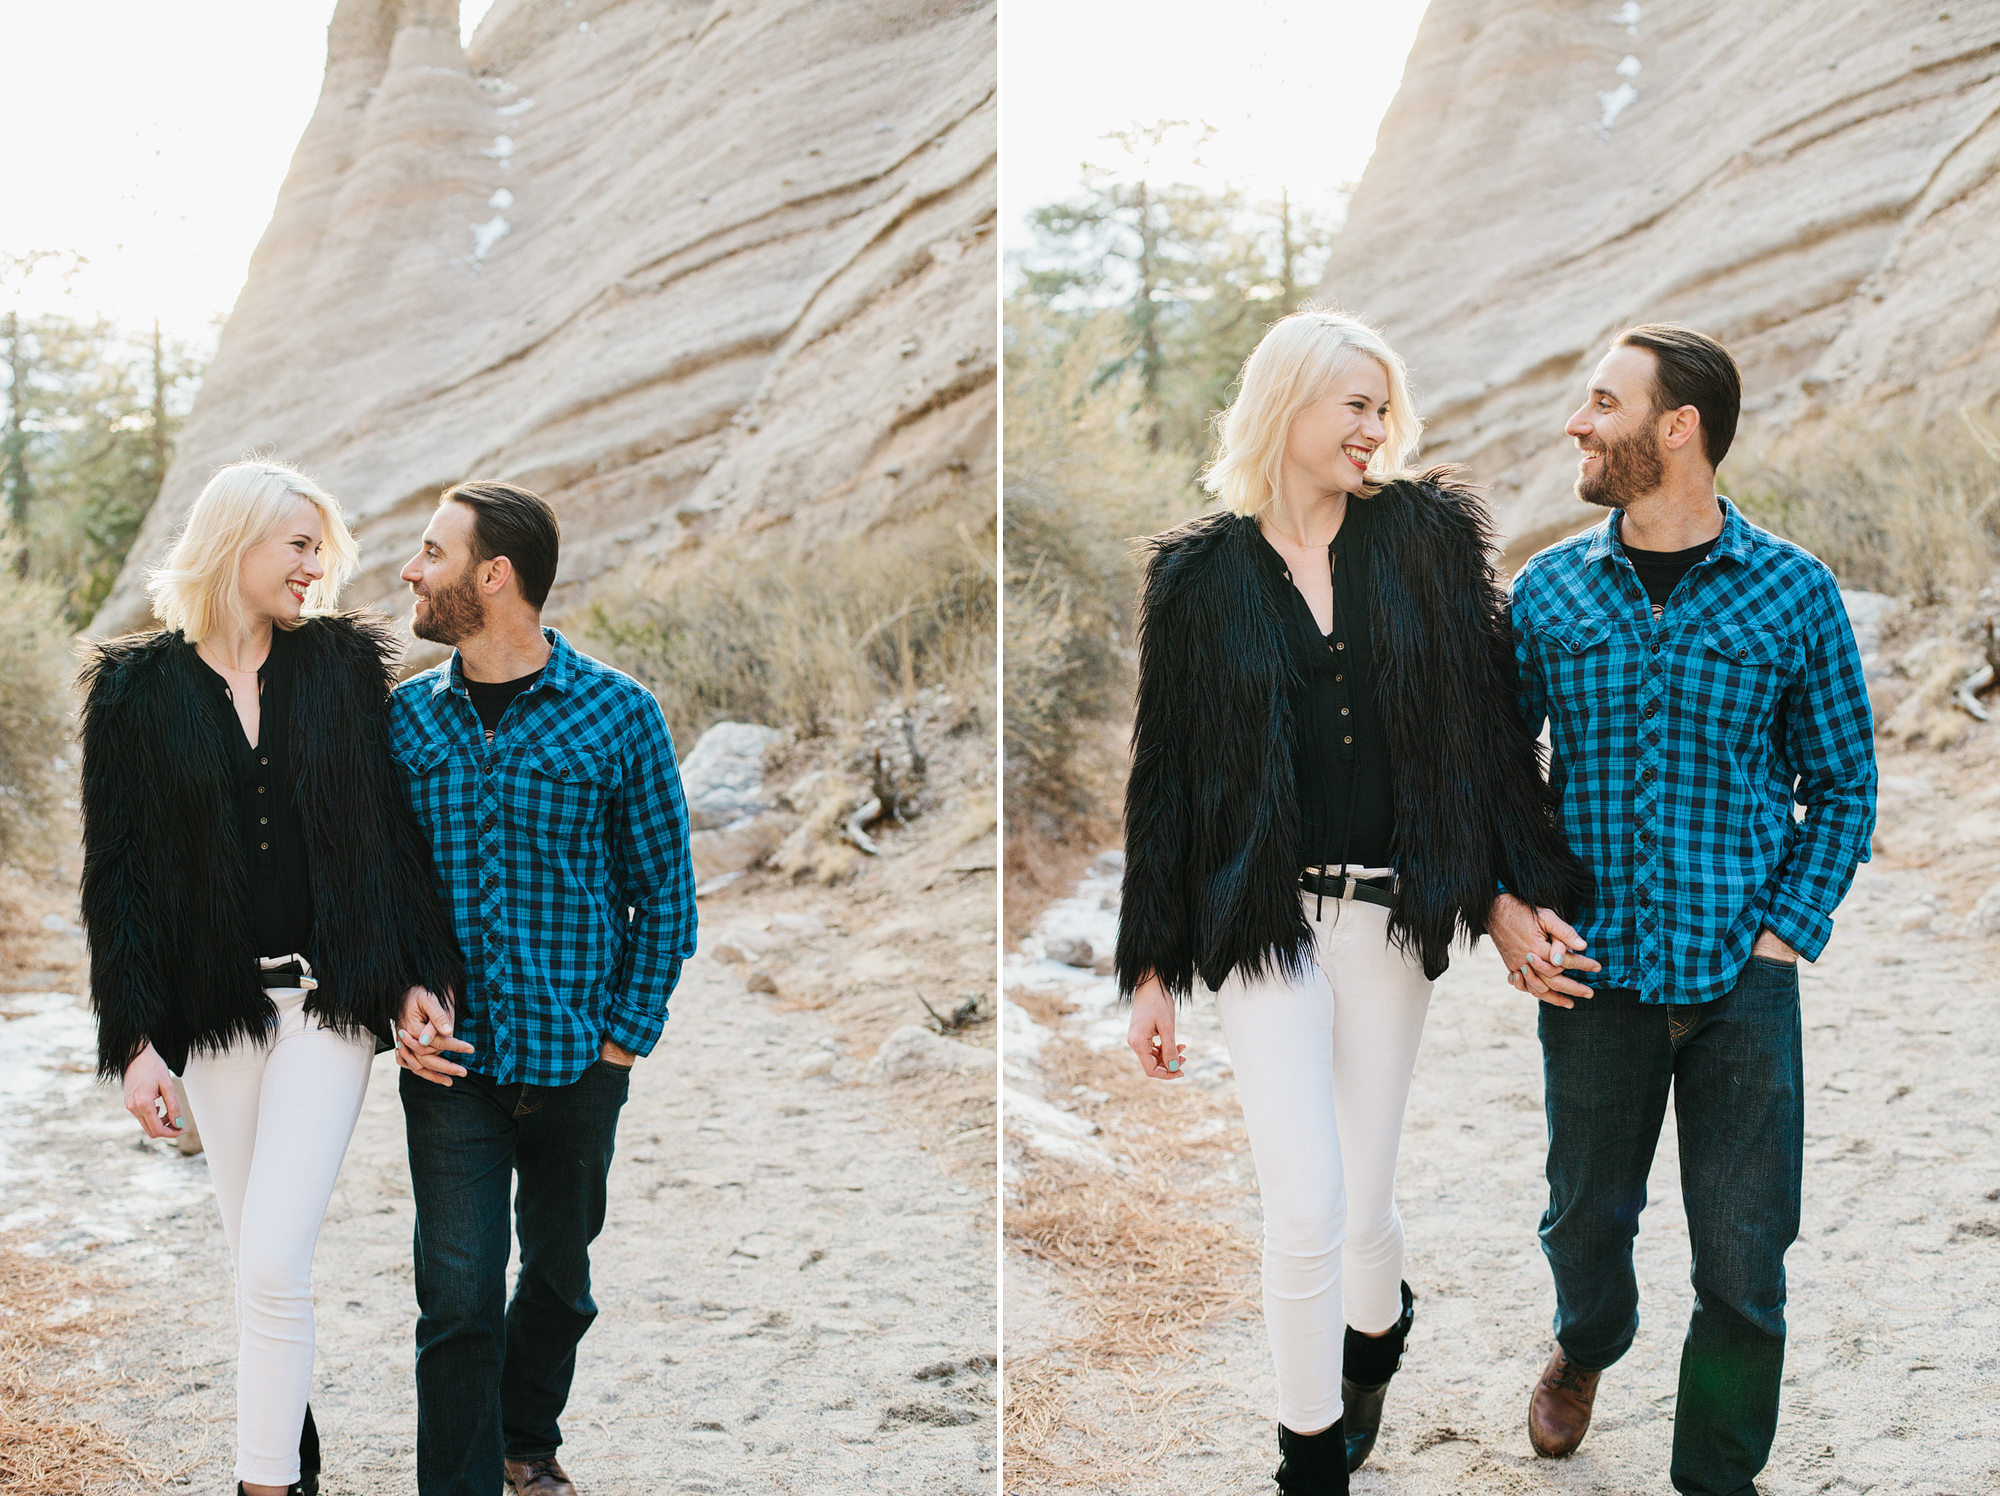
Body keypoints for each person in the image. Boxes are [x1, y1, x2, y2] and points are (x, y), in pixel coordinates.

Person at [1117, 308, 1591, 1494]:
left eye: (1383, 406)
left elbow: (1479, 735)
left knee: (1363, 1205)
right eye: (1353, 404)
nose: (1373, 427)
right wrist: (1148, 966)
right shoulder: (1196, 578)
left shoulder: (1422, 542)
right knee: (1304, 1195)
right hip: (1260, 922)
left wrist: (1504, 892)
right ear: (1286, 406)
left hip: (1385, 919)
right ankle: (1306, 1460)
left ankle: (1376, 1335)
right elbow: (1164, 772)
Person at [1490, 324, 1876, 1495]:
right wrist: (1508, 904)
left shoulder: (1791, 592)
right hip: (1590, 975)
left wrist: (1781, 935)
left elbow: (1843, 780)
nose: (1576, 422)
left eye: (1600, 402)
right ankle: (1589, 1342)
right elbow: (1496, 774)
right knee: (1582, 1228)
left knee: (1744, 1264)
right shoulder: (1548, 589)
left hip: (1738, 985)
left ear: (1677, 429)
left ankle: (1715, 1476)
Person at [79, 460, 466, 1496]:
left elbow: (385, 832)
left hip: (326, 1008)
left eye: (319, 545)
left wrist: (415, 971)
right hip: (210, 1015)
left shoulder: (339, 663)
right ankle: (288, 1468)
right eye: (298, 542)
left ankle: (258, 1486)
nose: (316, 564)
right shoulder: (132, 690)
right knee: (253, 1262)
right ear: (235, 538)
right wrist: (133, 1039)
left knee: (273, 1257)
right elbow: (116, 876)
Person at [387, 480, 696, 1496]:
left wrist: (621, 1040)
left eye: (430, 552)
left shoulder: (620, 714)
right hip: (453, 1066)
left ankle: (527, 1440)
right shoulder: (401, 725)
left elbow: (665, 898)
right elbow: (377, 895)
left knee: (559, 1284)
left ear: (494, 573)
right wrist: (398, 996)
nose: (409, 571)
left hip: (577, 1061)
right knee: (459, 1297)